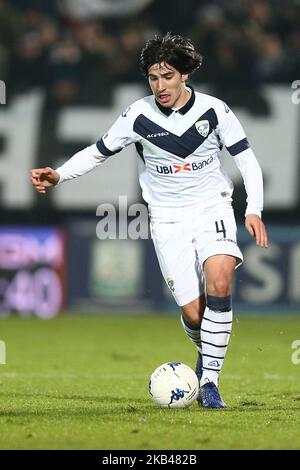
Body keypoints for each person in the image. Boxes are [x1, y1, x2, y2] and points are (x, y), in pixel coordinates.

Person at [31, 33, 268, 409]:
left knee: (220, 280)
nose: (161, 86)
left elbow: (247, 162)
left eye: (168, 76)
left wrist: (252, 208)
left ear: (185, 75)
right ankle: (208, 347)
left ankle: (209, 383)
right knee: (195, 313)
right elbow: (97, 152)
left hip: (213, 208)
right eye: (154, 78)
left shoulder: (215, 111)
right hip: (167, 220)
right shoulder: (138, 116)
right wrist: (59, 174)